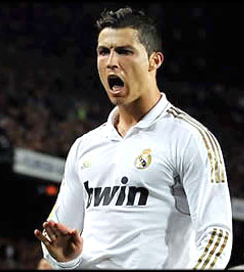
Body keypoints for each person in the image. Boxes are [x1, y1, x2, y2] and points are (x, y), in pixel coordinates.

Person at [34, 6, 232, 269]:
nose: (112, 62)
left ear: (154, 61)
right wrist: (65, 258)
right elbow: (56, 238)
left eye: (125, 51)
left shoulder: (189, 138)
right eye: (104, 51)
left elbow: (217, 234)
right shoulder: (85, 147)